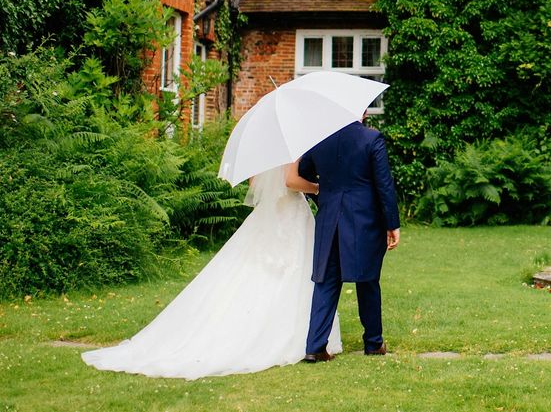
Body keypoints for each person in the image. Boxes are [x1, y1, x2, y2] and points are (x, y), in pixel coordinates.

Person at [81, 163, 342, 380]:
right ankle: (292, 335)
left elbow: (254, 184)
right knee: (294, 270)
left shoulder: (264, 145)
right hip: (291, 214)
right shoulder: (291, 144)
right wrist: (318, 187)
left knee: (260, 271)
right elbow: (290, 180)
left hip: (269, 214)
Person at [299, 118, 400, 361]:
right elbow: (383, 185)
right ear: (361, 111)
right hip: (363, 219)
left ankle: (315, 347)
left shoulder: (320, 139)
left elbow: (304, 171)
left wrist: (327, 190)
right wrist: (392, 224)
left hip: (329, 218)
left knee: (326, 281)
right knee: (367, 279)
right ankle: (374, 343)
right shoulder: (371, 138)